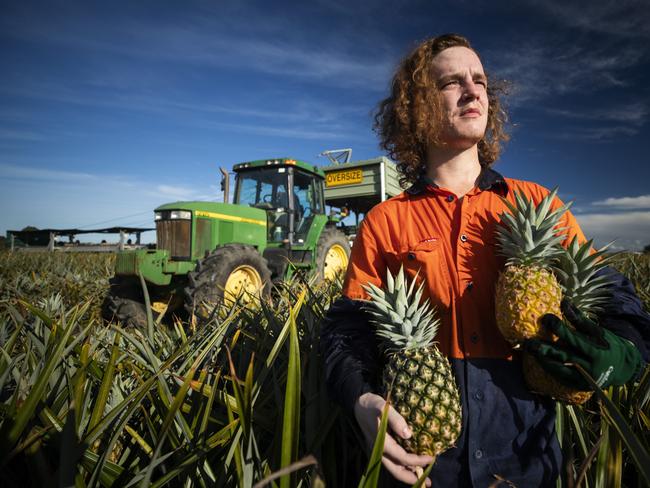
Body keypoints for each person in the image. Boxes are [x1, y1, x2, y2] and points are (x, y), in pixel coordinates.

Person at [321, 34, 649, 487]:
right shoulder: (386, 220)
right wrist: (360, 399)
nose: (474, 91)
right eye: (451, 83)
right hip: (424, 461)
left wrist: (622, 350)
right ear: (417, 106)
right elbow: (348, 331)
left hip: (527, 459)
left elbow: (615, 299)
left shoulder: (537, 204)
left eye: (479, 80)